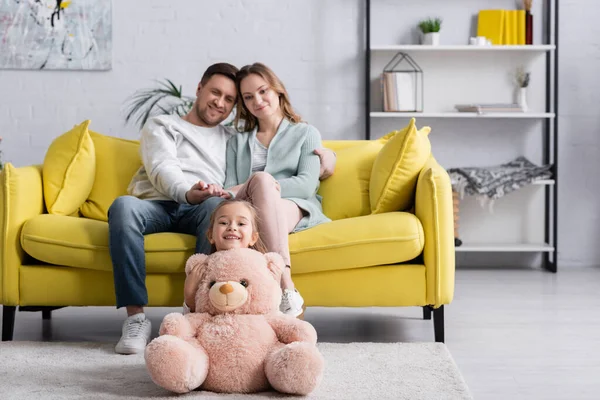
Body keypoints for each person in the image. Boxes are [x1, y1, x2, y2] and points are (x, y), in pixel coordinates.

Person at [108, 62, 336, 355]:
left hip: (209, 205)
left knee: (221, 209)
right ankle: (136, 318)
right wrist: (189, 192)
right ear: (199, 89)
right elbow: (163, 168)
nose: (220, 102)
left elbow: (293, 169)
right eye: (215, 93)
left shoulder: (230, 136)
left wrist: (328, 158)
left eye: (229, 99)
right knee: (123, 207)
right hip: (159, 203)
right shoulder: (164, 125)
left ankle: (196, 313)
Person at [225, 62, 331, 317]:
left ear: (278, 91)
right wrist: (245, 192)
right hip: (247, 211)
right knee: (255, 194)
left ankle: (287, 285)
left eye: (263, 91)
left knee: (261, 180)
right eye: (248, 97)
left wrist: (262, 188)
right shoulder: (236, 141)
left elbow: (306, 183)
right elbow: (230, 188)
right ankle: (278, 299)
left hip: (294, 205)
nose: (257, 101)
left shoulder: (306, 133)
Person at [183, 199, 269, 313]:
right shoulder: (204, 269)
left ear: (253, 238)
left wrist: (275, 280)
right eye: (223, 223)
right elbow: (193, 314)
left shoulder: (260, 267)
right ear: (210, 235)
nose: (232, 227)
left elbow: (269, 307)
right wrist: (189, 293)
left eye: (241, 224)